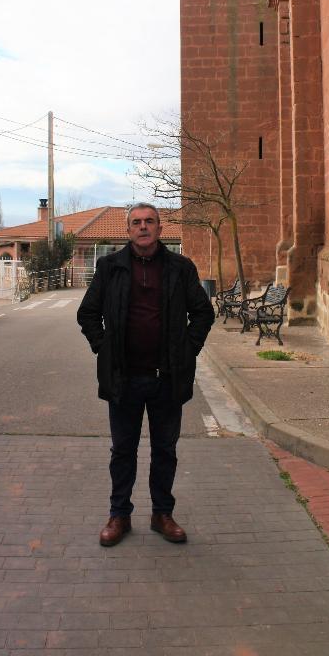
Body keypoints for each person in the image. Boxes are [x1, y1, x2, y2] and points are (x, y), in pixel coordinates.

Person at [77, 203, 214, 547]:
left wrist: (187, 351)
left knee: (165, 451)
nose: (143, 227)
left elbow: (202, 313)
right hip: (123, 378)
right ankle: (118, 515)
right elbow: (88, 313)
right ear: (128, 230)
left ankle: (162, 514)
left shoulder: (180, 268)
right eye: (136, 222)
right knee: (123, 451)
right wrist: (103, 348)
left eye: (149, 221)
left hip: (166, 378)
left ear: (159, 228)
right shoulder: (110, 268)